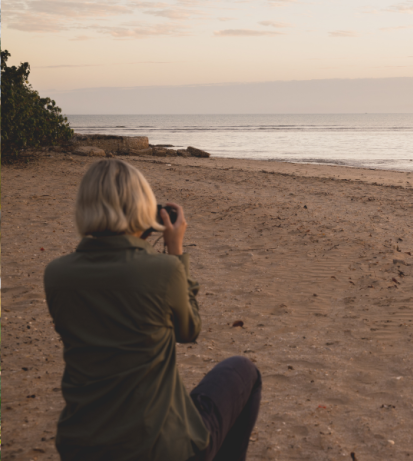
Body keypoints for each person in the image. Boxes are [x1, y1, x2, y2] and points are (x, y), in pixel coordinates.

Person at [44, 159, 262, 461]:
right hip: (157, 449)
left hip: (81, 446)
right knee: (245, 371)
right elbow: (189, 330)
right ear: (143, 209)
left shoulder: (56, 274)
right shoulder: (164, 270)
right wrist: (176, 251)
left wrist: (137, 241)